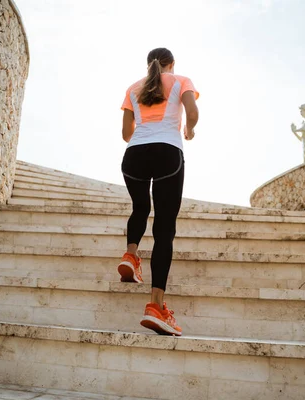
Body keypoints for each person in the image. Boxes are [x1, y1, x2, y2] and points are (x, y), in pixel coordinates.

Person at [117, 48, 199, 336]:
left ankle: (130, 256)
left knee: (140, 207)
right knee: (164, 227)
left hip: (134, 155)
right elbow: (192, 112)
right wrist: (188, 129)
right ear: (172, 64)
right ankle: (156, 307)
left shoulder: (132, 88)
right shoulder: (181, 81)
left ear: (148, 64)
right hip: (168, 152)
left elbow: (126, 133)